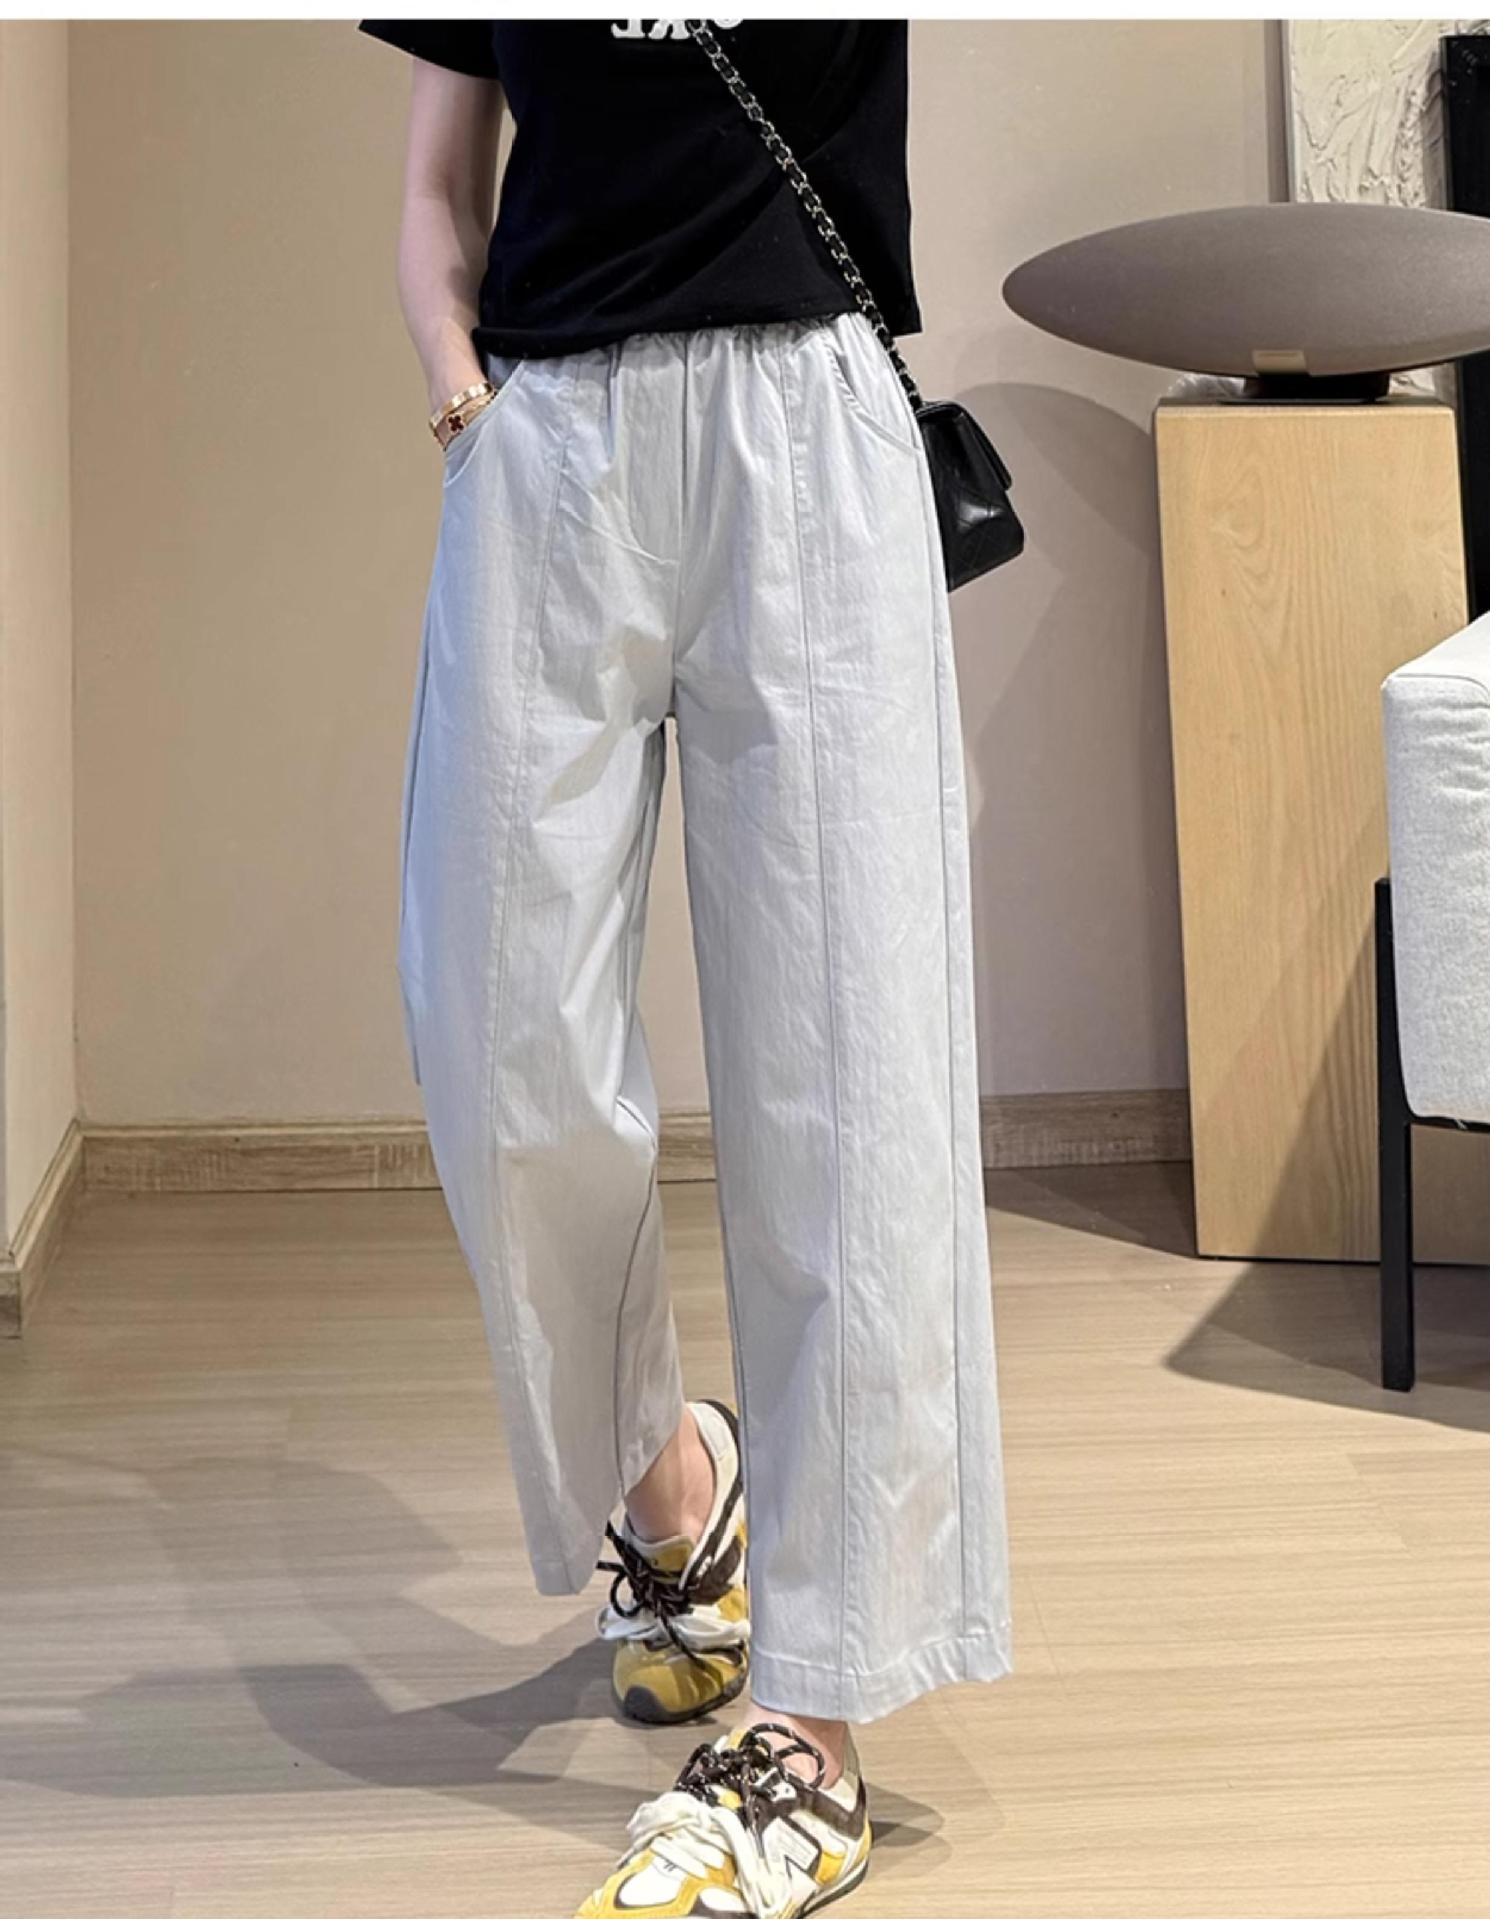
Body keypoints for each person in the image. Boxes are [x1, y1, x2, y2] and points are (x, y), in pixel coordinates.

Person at [358, 18, 1013, 1916]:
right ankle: (671, 1489)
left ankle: (812, 1721)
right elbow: (438, 171)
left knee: (848, 1073)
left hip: (802, 419)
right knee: (501, 1049)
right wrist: (461, 391)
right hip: (547, 436)